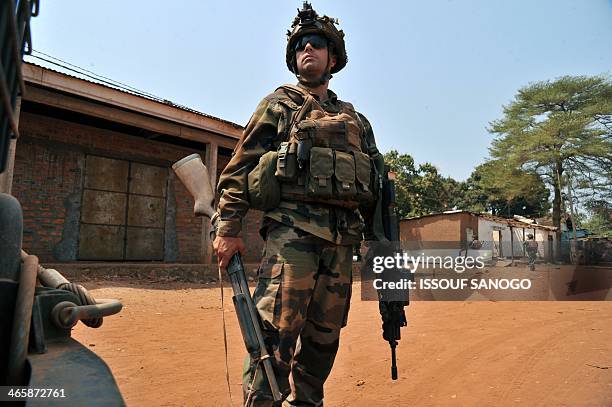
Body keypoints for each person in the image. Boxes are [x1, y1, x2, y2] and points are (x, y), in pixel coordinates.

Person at [212, 2, 382, 405]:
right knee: (274, 340)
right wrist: (228, 229)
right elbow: (238, 170)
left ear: (333, 57)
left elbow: (374, 188)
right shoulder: (277, 105)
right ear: (294, 57)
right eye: (301, 44)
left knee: (323, 344)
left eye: (318, 43)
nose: (308, 48)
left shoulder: (356, 121)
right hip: (292, 239)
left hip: (341, 247)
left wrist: (382, 246)